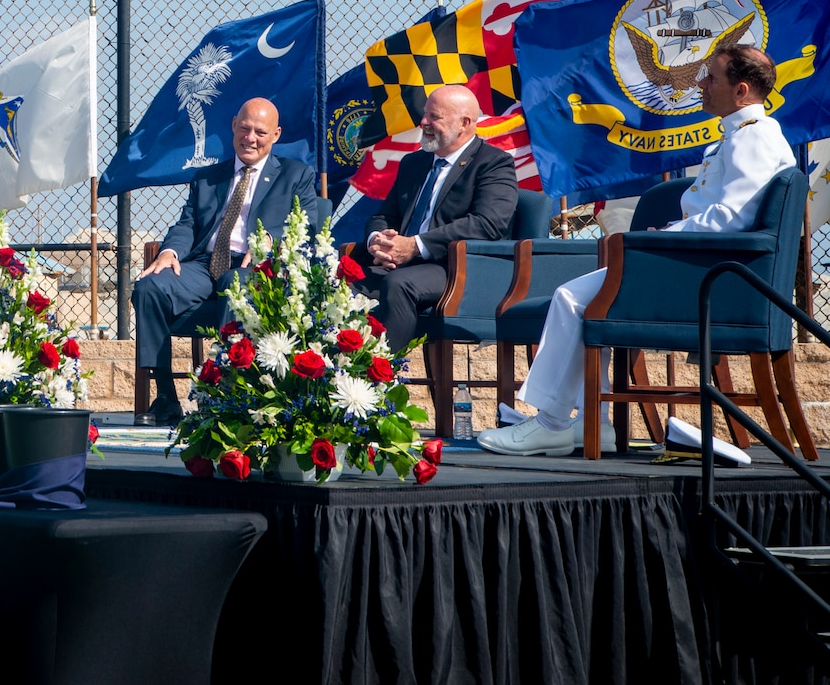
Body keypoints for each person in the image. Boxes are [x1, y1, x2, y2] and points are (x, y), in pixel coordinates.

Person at [477, 44, 795, 456]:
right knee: (585, 299)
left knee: (573, 298)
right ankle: (594, 422)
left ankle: (552, 423)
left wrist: (662, 237)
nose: (701, 84)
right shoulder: (750, 134)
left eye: (712, 77)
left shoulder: (753, 139)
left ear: (741, 91)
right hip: (705, 269)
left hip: (706, 279)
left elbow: (728, 220)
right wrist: (671, 231)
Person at [131, 97, 321, 426]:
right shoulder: (208, 177)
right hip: (204, 265)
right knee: (150, 286)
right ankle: (164, 396)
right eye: (244, 129)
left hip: (254, 268)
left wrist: (271, 239)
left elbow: (309, 223)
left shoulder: (296, 175)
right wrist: (168, 252)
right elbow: (187, 225)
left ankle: (222, 394)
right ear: (233, 126)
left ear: (275, 135)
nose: (250, 138)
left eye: (260, 132)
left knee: (235, 284)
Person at [353, 85, 519, 350]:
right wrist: (378, 240)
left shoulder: (493, 163)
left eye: (434, 117)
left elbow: (488, 224)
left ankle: (381, 375)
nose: (423, 122)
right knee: (340, 275)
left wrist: (415, 245)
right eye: (425, 114)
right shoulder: (415, 163)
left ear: (464, 123)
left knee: (398, 284)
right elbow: (384, 215)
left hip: (457, 267)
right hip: (404, 264)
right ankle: (335, 374)